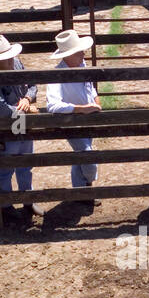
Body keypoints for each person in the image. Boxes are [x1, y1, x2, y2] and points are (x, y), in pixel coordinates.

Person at [0, 34, 42, 222]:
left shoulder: (17, 63)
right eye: (4, 58)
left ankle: (27, 200)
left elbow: (32, 85)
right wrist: (24, 110)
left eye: (9, 56)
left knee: (25, 163)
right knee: (5, 168)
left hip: (21, 123)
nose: (9, 60)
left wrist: (27, 99)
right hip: (6, 129)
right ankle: (6, 205)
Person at [43, 29, 101, 210]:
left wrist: (95, 102)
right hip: (71, 122)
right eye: (79, 52)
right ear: (68, 56)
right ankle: (87, 185)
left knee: (80, 156)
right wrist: (80, 109)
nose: (83, 54)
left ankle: (81, 193)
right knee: (87, 154)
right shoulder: (57, 75)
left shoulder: (81, 66)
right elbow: (52, 105)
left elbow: (90, 88)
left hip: (87, 120)